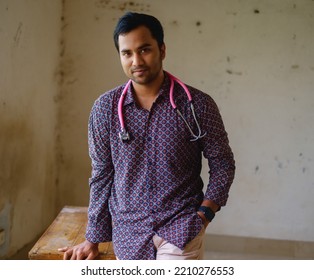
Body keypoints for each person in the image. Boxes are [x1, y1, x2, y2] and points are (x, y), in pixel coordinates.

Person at [58, 12, 235, 260]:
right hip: (129, 234)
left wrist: (204, 215)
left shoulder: (197, 105)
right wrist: (93, 238)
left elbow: (223, 163)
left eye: (144, 50)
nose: (136, 61)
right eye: (127, 53)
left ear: (162, 50)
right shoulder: (104, 108)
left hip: (181, 229)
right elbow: (101, 173)